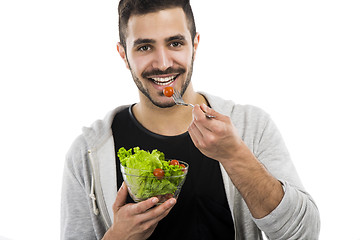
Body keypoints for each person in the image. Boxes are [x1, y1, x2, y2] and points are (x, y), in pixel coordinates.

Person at [61, 0, 320, 239]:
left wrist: (235, 156)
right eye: (144, 47)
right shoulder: (88, 151)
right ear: (123, 55)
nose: (163, 64)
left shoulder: (251, 126)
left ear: (194, 46)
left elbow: (303, 233)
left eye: (175, 43)